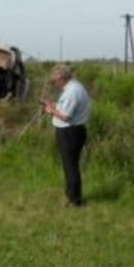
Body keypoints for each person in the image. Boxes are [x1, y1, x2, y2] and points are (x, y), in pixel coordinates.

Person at [41, 64, 91, 206]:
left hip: (70, 132)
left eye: (55, 81)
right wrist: (55, 105)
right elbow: (67, 107)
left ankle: (74, 199)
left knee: (70, 166)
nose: (54, 84)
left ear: (62, 78)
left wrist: (50, 110)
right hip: (74, 131)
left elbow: (66, 116)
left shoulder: (71, 92)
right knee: (70, 165)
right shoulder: (75, 87)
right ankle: (70, 195)